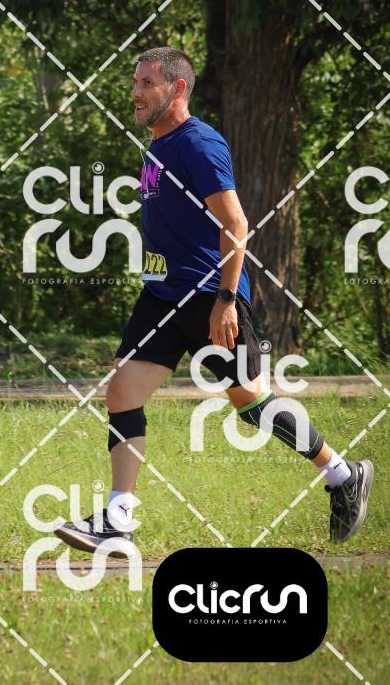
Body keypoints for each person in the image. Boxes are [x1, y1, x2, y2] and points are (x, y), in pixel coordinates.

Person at [55, 46, 374, 555]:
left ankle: (342, 474)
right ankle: (118, 521)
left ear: (177, 88)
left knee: (252, 404)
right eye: (135, 83)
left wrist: (226, 298)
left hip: (207, 294)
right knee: (122, 394)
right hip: (162, 293)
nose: (135, 92)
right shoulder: (158, 145)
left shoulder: (199, 144)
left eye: (146, 84)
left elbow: (236, 224)